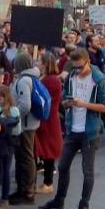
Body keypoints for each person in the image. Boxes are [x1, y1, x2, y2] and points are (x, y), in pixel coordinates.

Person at [38, 49, 105, 209]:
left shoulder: (98, 79)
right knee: (63, 166)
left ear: (87, 62)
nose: (77, 70)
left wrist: (84, 104)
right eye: (74, 67)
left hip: (90, 131)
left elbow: (104, 106)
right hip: (72, 129)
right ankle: (59, 201)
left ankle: (84, 205)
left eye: (79, 68)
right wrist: (67, 103)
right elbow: (62, 101)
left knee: (88, 170)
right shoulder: (71, 77)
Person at [9, 53, 42, 205]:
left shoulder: (23, 80)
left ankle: (27, 191)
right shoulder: (30, 78)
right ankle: (24, 188)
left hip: (25, 124)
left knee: (26, 156)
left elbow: (25, 104)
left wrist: (16, 116)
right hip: (28, 123)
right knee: (24, 156)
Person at [0, 86, 21, 209]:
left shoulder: (13, 110)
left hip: (8, 143)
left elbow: (17, 130)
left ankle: (4, 200)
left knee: (6, 170)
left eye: (0, 99)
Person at [34, 53, 63, 194]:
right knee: (43, 150)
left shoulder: (51, 80)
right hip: (44, 118)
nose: (37, 62)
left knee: (48, 151)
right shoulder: (45, 78)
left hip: (48, 119)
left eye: (39, 60)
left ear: (45, 63)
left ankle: (48, 182)